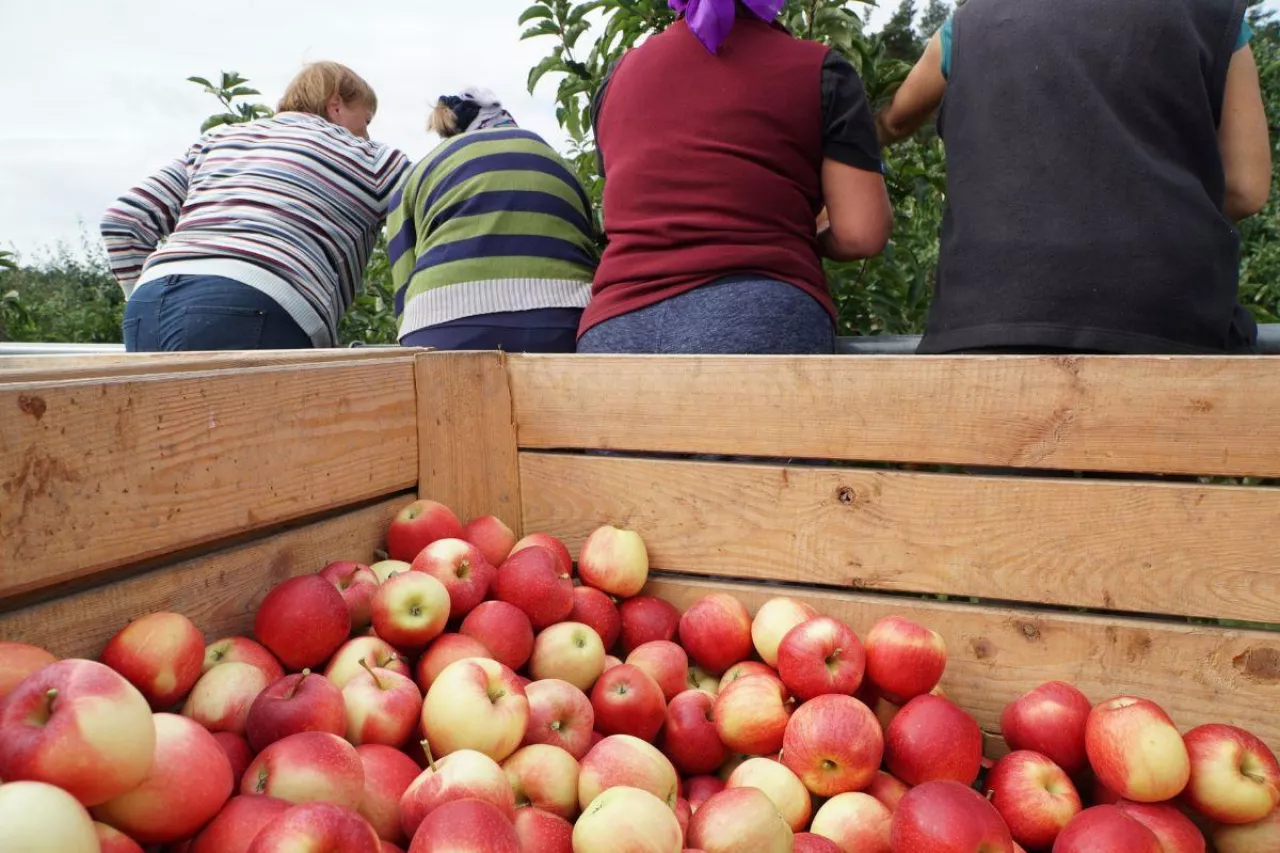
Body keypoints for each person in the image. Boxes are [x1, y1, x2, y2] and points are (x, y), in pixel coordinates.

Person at [877, 0, 1272, 355]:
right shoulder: (1216, 17)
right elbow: (1246, 189)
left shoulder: (966, 24)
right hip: (1167, 316)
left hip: (985, 317)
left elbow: (892, 122)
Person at [575, 0, 893, 355]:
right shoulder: (821, 70)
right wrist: (792, 233)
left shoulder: (618, 77)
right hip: (759, 319)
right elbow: (862, 233)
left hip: (614, 332)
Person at [101, 62, 410, 352]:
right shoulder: (374, 159)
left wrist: (141, 296)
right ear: (336, 105)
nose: (368, 133)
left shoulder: (216, 140)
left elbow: (123, 220)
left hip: (147, 307)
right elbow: (432, 198)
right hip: (256, 307)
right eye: (366, 120)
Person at [387, 88, 598, 352]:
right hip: (565, 320)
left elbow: (403, 283)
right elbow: (588, 246)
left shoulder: (422, 171)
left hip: (444, 326)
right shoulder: (556, 161)